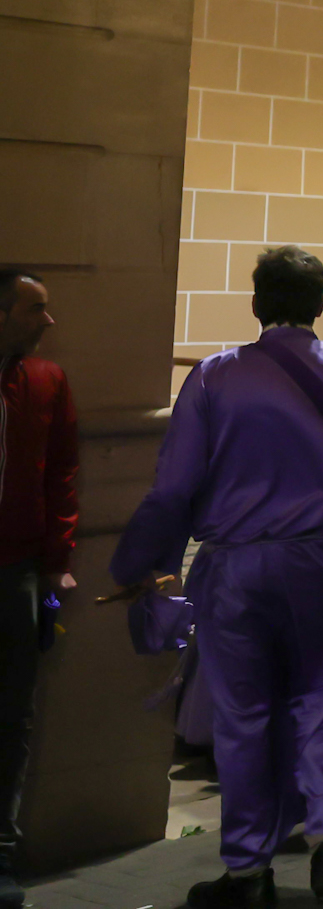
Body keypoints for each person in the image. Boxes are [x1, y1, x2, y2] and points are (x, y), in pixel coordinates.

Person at [113, 246, 323, 909]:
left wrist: (139, 562)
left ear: (255, 303)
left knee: (244, 717)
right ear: (320, 304)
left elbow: (174, 487)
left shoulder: (214, 377)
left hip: (236, 570)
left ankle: (249, 871)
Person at [0, 269, 73, 909]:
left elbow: (62, 475)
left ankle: (0, 852)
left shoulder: (46, 381)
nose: (48, 321)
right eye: (34, 309)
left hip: (18, 572)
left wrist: (56, 563)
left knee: (11, 714)